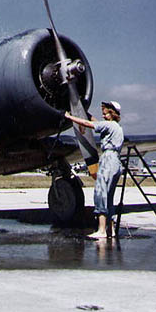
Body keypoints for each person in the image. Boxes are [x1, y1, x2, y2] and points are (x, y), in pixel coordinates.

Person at [65, 101, 124, 238]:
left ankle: (101, 230)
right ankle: (111, 230)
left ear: (112, 113)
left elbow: (88, 124)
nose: (103, 114)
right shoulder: (116, 127)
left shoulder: (108, 125)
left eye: (105, 111)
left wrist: (69, 117)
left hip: (108, 160)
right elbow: (96, 122)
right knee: (109, 197)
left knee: (100, 193)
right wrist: (84, 111)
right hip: (116, 161)